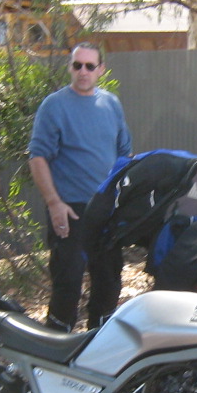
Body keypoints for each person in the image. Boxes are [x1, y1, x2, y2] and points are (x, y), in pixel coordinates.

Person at [28, 42, 133, 331]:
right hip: (70, 208)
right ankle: (55, 345)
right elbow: (37, 157)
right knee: (68, 282)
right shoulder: (54, 106)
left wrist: (123, 200)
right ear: (70, 68)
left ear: (101, 69)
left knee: (109, 281)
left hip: (106, 209)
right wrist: (54, 203)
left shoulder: (111, 103)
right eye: (77, 65)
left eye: (89, 66)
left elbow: (125, 154)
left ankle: (99, 340)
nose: (83, 71)